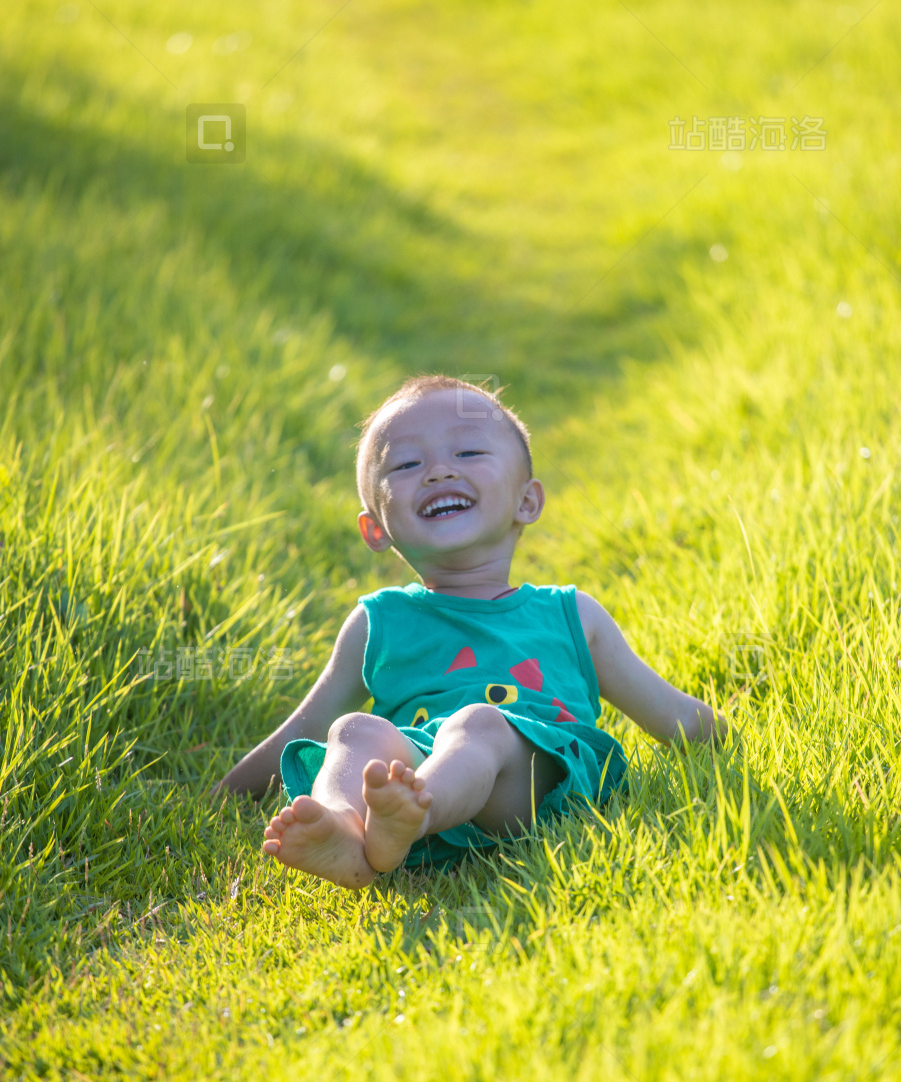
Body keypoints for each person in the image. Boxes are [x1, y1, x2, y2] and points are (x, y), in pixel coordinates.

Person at [215, 376, 726, 887]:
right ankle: (344, 830)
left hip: (533, 782)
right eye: (407, 464)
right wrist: (222, 796)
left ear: (527, 501)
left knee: (478, 724)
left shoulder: (571, 615)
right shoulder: (378, 622)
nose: (438, 471)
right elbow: (306, 727)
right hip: (417, 768)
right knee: (354, 731)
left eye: (468, 452)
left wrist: (724, 734)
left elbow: (672, 714)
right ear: (376, 529)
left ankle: (409, 821)